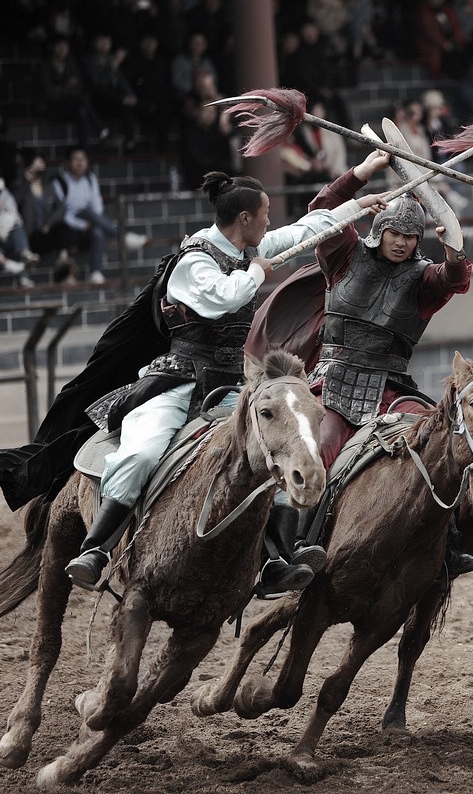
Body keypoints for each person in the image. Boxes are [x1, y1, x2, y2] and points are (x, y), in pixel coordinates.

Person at [61, 171, 389, 594]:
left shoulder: (245, 247)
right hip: (177, 382)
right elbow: (223, 296)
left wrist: (357, 204)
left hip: (231, 386)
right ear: (246, 218)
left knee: (277, 449)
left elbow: (302, 231)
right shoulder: (194, 261)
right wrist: (255, 271)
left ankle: (275, 561)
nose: (270, 222)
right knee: (142, 453)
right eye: (266, 214)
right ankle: (97, 548)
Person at [245, 150, 473, 578]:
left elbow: (454, 278)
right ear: (380, 228)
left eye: (411, 236)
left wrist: (453, 248)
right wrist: (360, 174)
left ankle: (448, 545)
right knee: (312, 455)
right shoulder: (345, 255)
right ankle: (284, 555)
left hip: (392, 389)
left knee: (442, 442)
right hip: (332, 385)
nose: (402, 241)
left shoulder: (424, 279)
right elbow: (321, 212)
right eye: (394, 231)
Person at [51, 146, 146, 285]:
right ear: (68, 162)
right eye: (76, 159)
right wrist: (83, 224)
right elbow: (61, 213)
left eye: (83, 159)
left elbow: (97, 205)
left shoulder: (90, 178)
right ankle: (122, 236)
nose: (80, 163)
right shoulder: (58, 182)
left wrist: (94, 222)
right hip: (68, 226)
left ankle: (95, 273)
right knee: (89, 214)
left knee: (98, 232)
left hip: (90, 221)